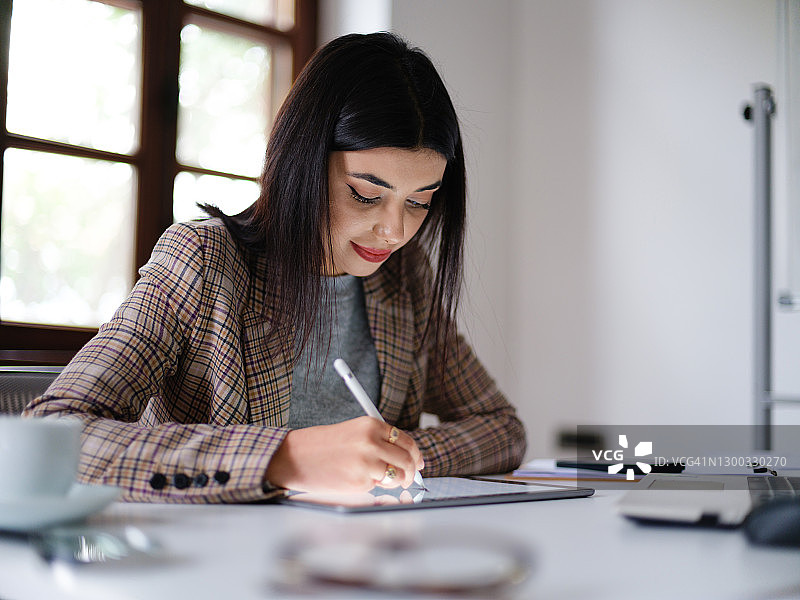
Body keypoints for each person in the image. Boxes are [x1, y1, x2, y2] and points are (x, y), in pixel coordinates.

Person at [24, 32, 526, 503]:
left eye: (419, 202)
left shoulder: (403, 278)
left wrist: (393, 455)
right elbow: (51, 431)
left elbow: (502, 428)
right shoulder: (202, 261)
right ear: (302, 163)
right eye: (365, 194)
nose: (394, 232)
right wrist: (282, 459)